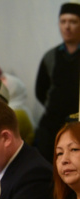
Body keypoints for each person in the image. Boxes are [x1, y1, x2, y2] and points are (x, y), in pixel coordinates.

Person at [35, 2, 80, 162]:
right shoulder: (50, 56)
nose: (67, 27)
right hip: (51, 126)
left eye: (73, 22)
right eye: (63, 21)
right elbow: (40, 90)